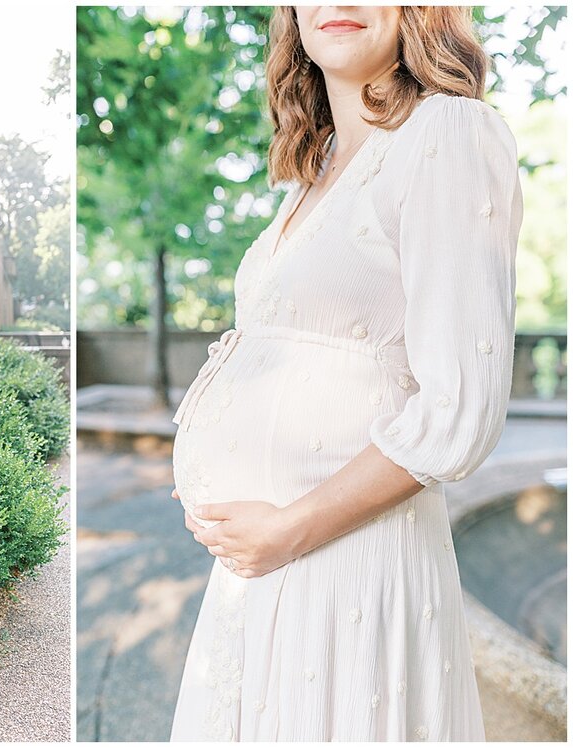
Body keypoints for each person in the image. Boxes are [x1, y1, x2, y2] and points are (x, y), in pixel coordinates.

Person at [170, 6, 521, 741]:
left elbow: (459, 410)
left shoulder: (448, 134)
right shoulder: (316, 168)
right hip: (259, 578)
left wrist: (290, 529)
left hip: (345, 567)